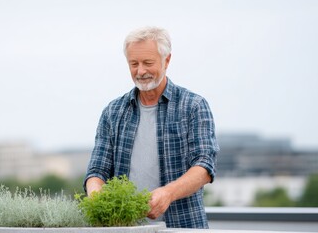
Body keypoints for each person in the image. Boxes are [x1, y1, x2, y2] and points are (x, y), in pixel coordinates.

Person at [84, 26, 219, 228]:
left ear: (167, 60)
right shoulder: (112, 112)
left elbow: (204, 166)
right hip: (125, 228)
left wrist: (168, 193)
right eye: (133, 64)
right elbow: (97, 170)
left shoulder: (193, 106)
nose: (140, 71)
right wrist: (96, 195)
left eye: (148, 63)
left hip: (183, 227)